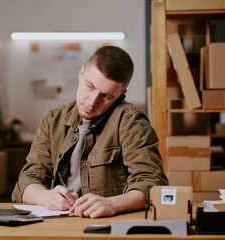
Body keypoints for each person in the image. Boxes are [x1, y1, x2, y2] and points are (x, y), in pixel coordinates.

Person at [12, 45, 168, 218]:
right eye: (90, 86)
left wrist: (113, 203)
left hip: (107, 225)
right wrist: (45, 197)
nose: (92, 102)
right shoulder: (52, 120)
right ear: (81, 73)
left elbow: (152, 183)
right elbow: (27, 180)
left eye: (106, 96)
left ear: (121, 94)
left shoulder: (131, 122)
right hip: (57, 223)